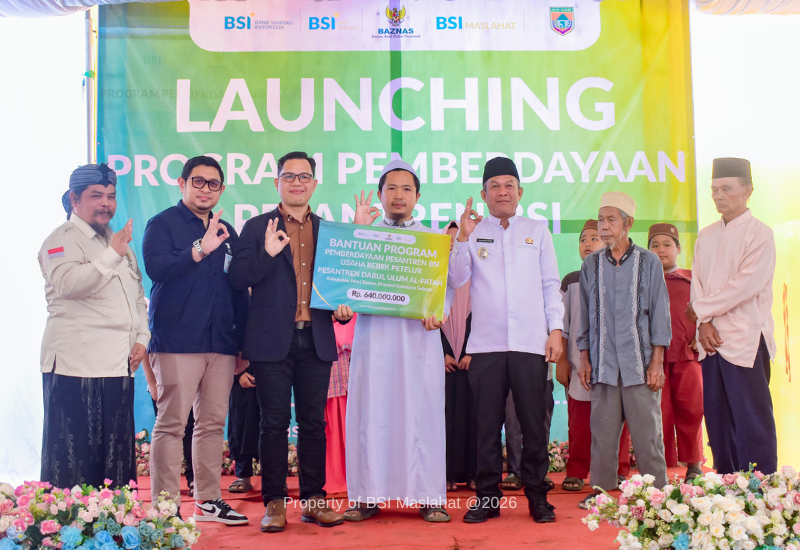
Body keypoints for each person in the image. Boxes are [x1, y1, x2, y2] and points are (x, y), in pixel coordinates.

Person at [229, 151, 352, 533]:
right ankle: (275, 503)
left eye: (304, 176)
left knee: (314, 424)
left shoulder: (330, 231)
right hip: (271, 344)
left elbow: (340, 288)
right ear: (277, 182)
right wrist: (267, 255)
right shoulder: (256, 227)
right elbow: (238, 278)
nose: (297, 183)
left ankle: (314, 501)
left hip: (316, 340)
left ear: (314, 183)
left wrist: (343, 309)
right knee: (274, 424)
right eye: (289, 176)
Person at [449, 156, 564, 524]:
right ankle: (487, 497)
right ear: (484, 195)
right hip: (486, 346)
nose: (502, 192)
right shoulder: (473, 231)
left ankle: (537, 497)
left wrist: (556, 330)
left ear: (520, 191)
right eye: (494, 186)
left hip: (531, 343)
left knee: (534, 425)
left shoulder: (537, 230)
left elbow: (550, 284)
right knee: (486, 427)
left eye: (509, 185)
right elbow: (456, 278)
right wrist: (462, 238)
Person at [344, 159, 453, 523]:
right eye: (391, 188)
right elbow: (344, 283)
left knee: (423, 414)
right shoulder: (362, 235)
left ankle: (429, 496)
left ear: (418, 196)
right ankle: (366, 496)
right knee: (371, 412)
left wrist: (440, 312)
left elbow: (447, 287)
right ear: (380, 194)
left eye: (406, 188)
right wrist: (358, 233)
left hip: (418, 341)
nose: (398, 195)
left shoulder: (432, 241)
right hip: (373, 338)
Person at [143, 155, 250, 525]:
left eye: (213, 183)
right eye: (198, 181)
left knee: (212, 424)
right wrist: (199, 249)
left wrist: (242, 344)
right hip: (177, 339)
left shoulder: (228, 231)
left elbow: (238, 288)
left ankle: (208, 501)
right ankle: (165, 508)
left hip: (221, 342)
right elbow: (157, 268)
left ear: (222, 189)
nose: (206, 189)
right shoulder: (162, 224)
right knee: (172, 424)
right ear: (182, 183)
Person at [39, 163, 149, 489]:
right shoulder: (61, 240)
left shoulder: (115, 242)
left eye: (111, 196)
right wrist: (111, 255)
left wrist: (142, 338)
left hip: (118, 364)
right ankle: (72, 520)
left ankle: (116, 517)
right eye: (96, 195)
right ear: (74, 199)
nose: (106, 203)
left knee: (116, 461)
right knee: (75, 462)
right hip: (76, 366)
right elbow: (68, 285)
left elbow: (137, 296)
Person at [576, 192, 670, 509]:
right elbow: (586, 314)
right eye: (600, 219)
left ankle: (658, 496)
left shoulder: (649, 262)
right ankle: (601, 492)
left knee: (647, 435)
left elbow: (660, 314)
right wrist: (584, 357)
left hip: (640, 365)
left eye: (610, 219)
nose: (603, 226)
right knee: (602, 434)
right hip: (603, 363)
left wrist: (657, 362)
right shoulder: (591, 265)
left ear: (628, 223)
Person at [686, 157, 777, 475]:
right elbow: (697, 284)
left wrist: (701, 311)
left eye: (726, 188)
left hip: (744, 337)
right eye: (714, 189)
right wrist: (703, 323)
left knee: (751, 420)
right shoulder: (706, 235)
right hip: (710, 339)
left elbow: (746, 286)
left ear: (748, 190)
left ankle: (759, 490)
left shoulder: (760, 234)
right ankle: (725, 488)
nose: (718, 195)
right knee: (718, 419)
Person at [555, 220, 632, 493]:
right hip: (579, 363)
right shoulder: (571, 281)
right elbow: (562, 324)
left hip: (617, 363)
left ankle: (619, 470)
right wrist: (562, 360)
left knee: (618, 420)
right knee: (579, 422)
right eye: (583, 239)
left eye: (594, 238)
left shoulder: (624, 275)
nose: (588, 243)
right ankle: (577, 471)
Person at [648, 223, 704, 480]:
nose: (661, 250)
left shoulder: (693, 279)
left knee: (691, 409)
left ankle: (694, 464)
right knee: (658, 412)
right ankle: (659, 466)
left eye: (667, 245)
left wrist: (700, 335)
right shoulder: (643, 282)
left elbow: (708, 311)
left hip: (687, 355)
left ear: (678, 249)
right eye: (655, 245)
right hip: (653, 359)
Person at [441, 221, 477, 493]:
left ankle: (474, 473)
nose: (453, 249)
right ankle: (447, 474)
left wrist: (470, 352)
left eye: (458, 244)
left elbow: (484, 317)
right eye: (449, 243)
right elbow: (426, 320)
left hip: (472, 362)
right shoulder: (432, 281)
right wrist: (441, 353)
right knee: (443, 418)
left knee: (475, 418)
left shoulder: (477, 280)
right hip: (441, 363)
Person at [141, 354, 196, 497]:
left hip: (191, 382)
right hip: (162, 382)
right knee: (166, 432)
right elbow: (145, 350)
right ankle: (165, 486)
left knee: (191, 431)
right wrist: (151, 381)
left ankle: (194, 479)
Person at [323, 313, 357, 495]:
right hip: (327, 345)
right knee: (333, 419)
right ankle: (336, 476)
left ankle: (362, 479)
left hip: (356, 335)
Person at [227, 365, 260, 494]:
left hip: (273, 367)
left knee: (273, 422)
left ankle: (275, 477)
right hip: (242, 367)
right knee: (239, 421)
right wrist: (238, 373)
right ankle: (243, 474)